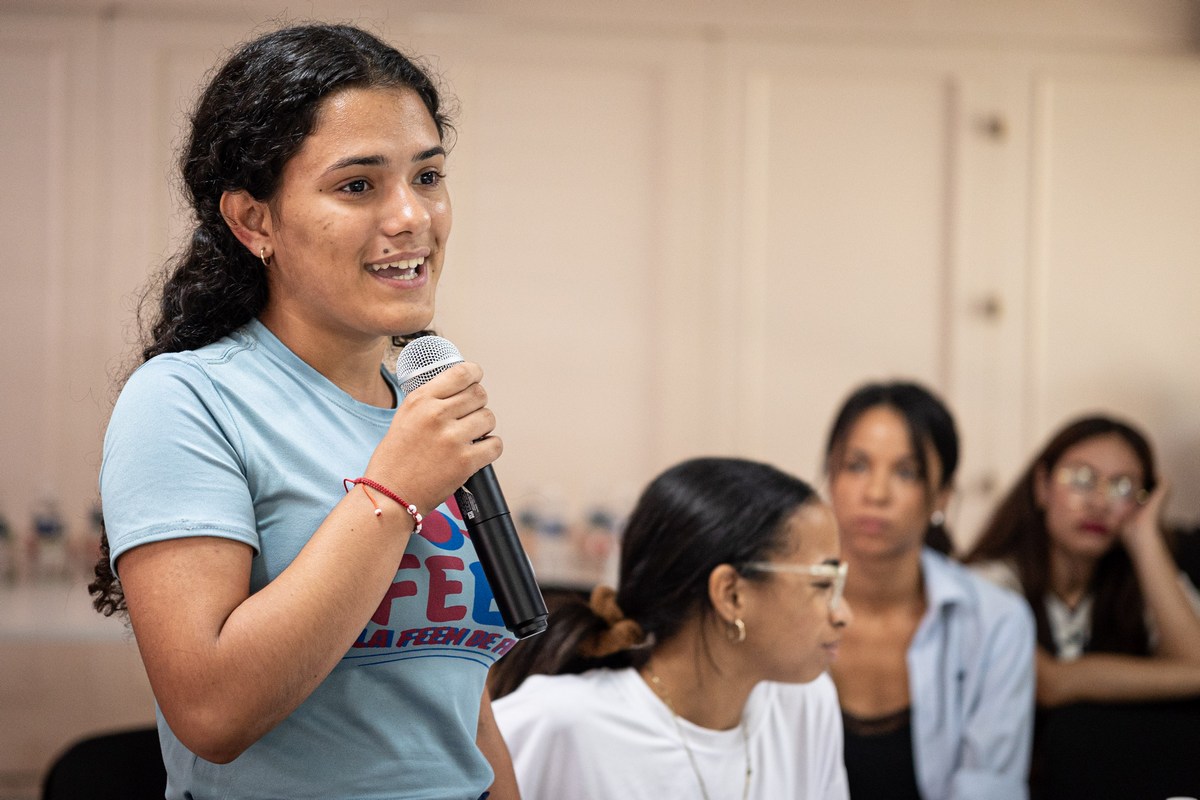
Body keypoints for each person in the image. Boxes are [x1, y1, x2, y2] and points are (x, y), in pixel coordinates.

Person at [88, 23, 519, 800]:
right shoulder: (188, 400)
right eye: (358, 186)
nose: (412, 217)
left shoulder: (422, 407)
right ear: (254, 222)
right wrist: (391, 494)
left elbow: (458, 702)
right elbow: (213, 710)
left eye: (427, 176)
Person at [490, 456, 852, 800]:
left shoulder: (806, 703)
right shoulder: (558, 721)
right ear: (731, 594)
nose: (843, 614)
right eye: (824, 584)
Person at [964, 415, 1200, 799]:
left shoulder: (1141, 584)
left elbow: (1195, 655)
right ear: (1042, 486)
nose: (1098, 502)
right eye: (1081, 479)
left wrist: (1145, 539)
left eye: (1123, 487)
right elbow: (1050, 683)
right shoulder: (988, 581)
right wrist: (1190, 675)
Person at [822, 381, 1035, 800]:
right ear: (831, 477)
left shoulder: (996, 620)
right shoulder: (771, 606)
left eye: (906, 472)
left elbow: (990, 787)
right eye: (857, 465)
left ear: (941, 496)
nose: (876, 494)